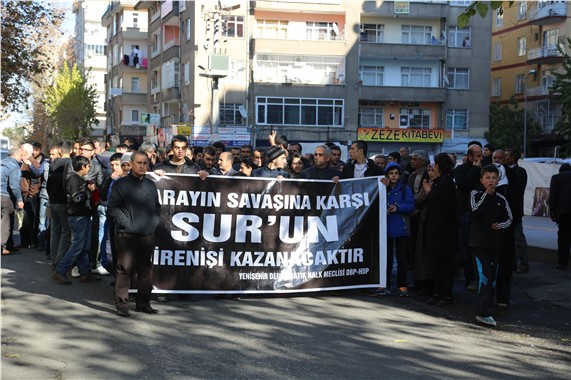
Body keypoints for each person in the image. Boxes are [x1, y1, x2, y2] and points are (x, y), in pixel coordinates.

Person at [108, 151, 161, 317]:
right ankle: (122, 304)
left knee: (145, 270)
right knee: (124, 269)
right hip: (127, 235)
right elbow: (113, 208)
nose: (142, 166)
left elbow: (157, 207)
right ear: (131, 163)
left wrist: (153, 224)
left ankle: (143, 303)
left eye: (145, 163)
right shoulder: (120, 184)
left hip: (147, 235)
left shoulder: (151, 185)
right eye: (139, 163)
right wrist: (128, 224)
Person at [469, 165, 512, 327]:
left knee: (492, 279)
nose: (491, 181)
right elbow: (475, 212)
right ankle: (483, 312)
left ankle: (486, 308)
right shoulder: (476, 194)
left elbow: (509, 218)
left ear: (498, 180)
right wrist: (487, 196)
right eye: (487, 177)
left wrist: (500, 225)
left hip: (495, 244)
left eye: (494, 178)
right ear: (482, 180)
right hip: (478, 243)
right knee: (484, 278)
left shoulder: (502, 199)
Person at [52, 156, 101, 285]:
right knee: (77, 246)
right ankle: (60, 270)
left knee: (84, 246)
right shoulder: (74, 179)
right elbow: (76, 198)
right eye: (88, 166)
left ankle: (84, 272)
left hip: (83, 214)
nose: (89, 168)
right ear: (83, 167)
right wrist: (89, 192)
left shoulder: (80, 179)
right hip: (77, 216)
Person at [423, 153, 458, 306]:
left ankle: (446, 295)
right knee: (437, 264)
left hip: (444, 232)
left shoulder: (447, 182)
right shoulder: (440, 181)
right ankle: (438, 293)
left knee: (444, 265)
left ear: (438, 166)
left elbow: (445, 209)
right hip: (437, 231)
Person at [375, 162, 415, 297]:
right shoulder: (381, 187)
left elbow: (411, 206)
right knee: (385, 259)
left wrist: (398, 207)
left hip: (401, 229)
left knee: (402, 260)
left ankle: (402, 285)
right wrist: (382, 210)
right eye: (391, 173)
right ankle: (384, 285)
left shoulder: (405, 189)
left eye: (396, 173)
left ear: (400, 175)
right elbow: (374, 204)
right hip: (384, 229)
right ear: (386, 174)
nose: (393, 176)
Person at [454, 143, 483, 291]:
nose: (480, 158)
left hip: (481, 213)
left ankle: (479, 278)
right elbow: (463, 185)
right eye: (477, 156)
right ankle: (469, 277)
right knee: (466, 247)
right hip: (466, 212)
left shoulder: (485, 169)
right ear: (470, 156)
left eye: (481, 155)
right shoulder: (461, 170)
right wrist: (475, 169)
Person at [1, 145, 31, 254]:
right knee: (6, 223)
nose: (22, 158)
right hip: (6, 197)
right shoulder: (14, 166)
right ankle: (3, 248)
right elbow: (14, 185)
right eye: (21, 155)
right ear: (16, 155)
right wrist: (19, 199)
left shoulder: (2, 162)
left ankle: (9, 245)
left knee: (3, 221)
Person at [504, 148, 529, 274]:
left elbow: (517, 189)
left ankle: (524, 263)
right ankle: (512, 264)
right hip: (505, 209)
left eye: (506, 156)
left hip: (515, 210)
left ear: (513, 158)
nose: (504, 158)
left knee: (518, 238)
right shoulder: (503, 170)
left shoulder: (520, 171)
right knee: (509, 239)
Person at [548, 163, 571, 270]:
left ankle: (562, 263)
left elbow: (552, 197)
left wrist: (553, 213)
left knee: (563, 238)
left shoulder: (556, 178)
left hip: (564, 213)